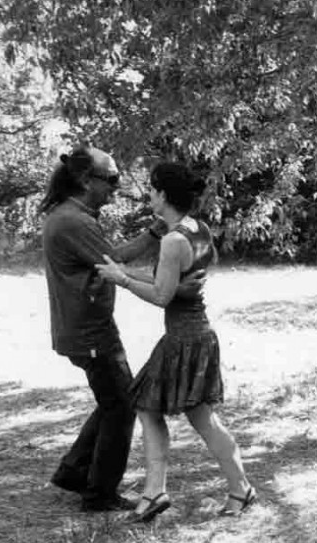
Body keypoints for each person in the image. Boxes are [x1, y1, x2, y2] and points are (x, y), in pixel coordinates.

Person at [95, 162, 257, 521]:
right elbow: (172, 280)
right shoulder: (197, 229)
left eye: (152, 190)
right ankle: (231, 489)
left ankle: (163, 492)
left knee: (157, 408)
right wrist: (124, 270)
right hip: (199, 334)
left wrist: (120, 280)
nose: (148, 195)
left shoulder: (172, 241)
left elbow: (161, 296)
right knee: (188, 416)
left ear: (164, 194)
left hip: (184, 338)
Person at [38, 147, 164, 512]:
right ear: (84, 180)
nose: (116, 186)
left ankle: (74, 472)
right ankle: (99, 494)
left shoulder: (72, 216)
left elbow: (108, 260)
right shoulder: (74, 222)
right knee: (122, 406)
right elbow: (116, 261)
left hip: (83, 328)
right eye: (110, 179)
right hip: (89, 333)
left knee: (114, 401)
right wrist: (157, 231)